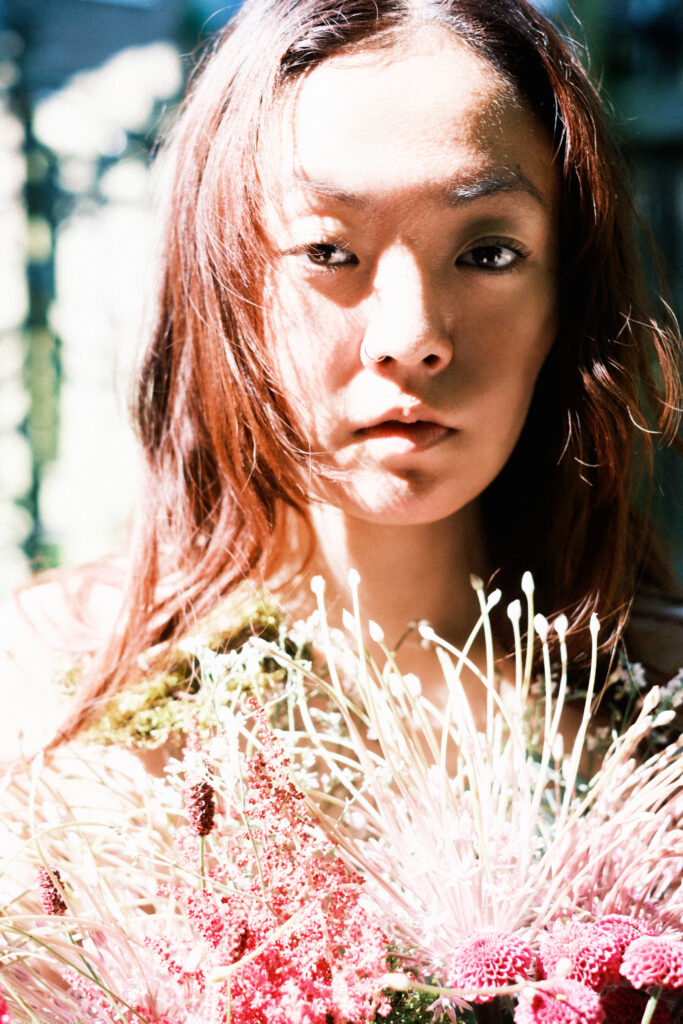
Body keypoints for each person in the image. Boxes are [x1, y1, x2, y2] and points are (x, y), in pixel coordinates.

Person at [1, 0, 681, 763]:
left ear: (564, 300)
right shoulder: (46, 705)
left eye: (487, 254)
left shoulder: (662, 712)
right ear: (224, 288)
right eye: (326, 251)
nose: (410, 338)